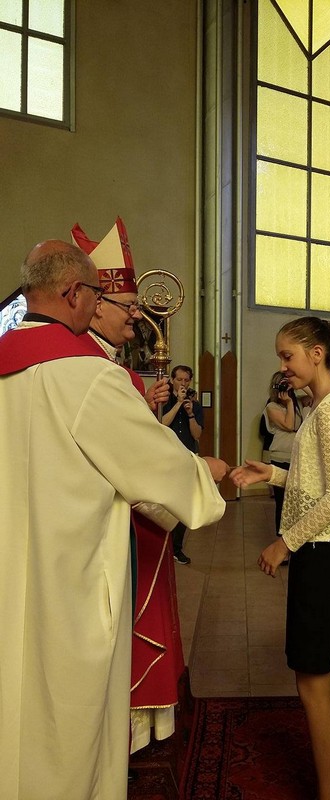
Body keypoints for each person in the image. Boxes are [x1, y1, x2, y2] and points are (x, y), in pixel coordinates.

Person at [0, 240, 227, 800]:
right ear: (73, 293)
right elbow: (158, 469)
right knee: (65, 723)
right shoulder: (86, 376)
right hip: (67, 585)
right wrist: (208, 476)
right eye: (96, 293)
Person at [231, 316, 330, 800]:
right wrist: (271, 473)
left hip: (324, 552)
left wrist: (283, 542)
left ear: (317, 353)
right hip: (322, 549)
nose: (283, 366)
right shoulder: (322, 406)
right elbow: (317, 485)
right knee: (310, 675)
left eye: (287, 355)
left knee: (312, 678)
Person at [72, 218, 194, 753]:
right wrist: (199, 478)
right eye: (127, 304)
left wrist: (144, 408)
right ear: (94, 303)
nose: (138, 314)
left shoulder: (108, 362)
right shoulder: (94, 369)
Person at [161, 364, 204, 564]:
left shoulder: (195, 405)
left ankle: (177, 548)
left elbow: (197, 434)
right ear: (172, 380)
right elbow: (162, 423)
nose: (183, 384)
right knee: (166, 503)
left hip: (187, 456)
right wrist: (178, 404)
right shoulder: (164, 401)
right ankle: (163, 547)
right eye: (179, 380)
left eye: (186, 380)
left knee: (184, 505)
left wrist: (190, 413)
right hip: (167, 457)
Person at [262, 370, 311, 540]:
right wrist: (289, 402)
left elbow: (317, 395)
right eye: (282, 383)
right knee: (283, 502)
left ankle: (296, 538)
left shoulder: (299, 401)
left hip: (298, 457)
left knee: (297, 501)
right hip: (280, 457)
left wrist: (297, 383)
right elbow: (289, 425)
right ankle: (281, 540)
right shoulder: (272, 407)